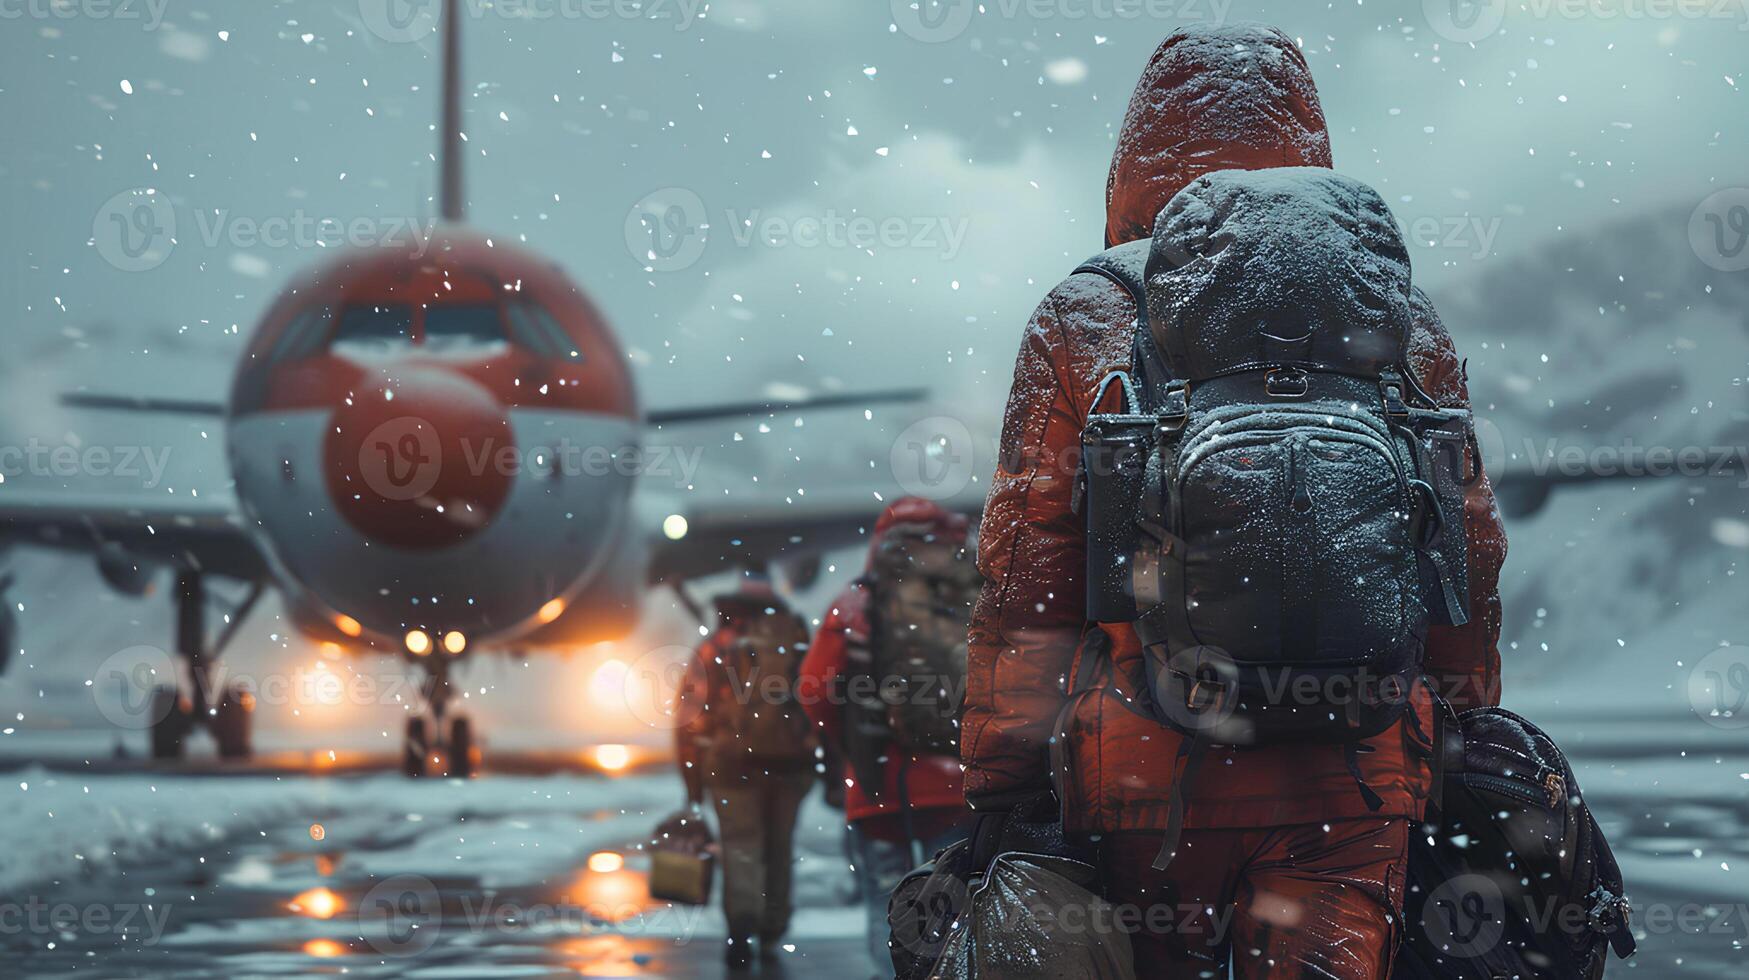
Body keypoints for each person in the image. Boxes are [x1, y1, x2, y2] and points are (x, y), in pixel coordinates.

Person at [962, 23, 1509, 980]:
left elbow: (1024, 576)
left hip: (1145, 765)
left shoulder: (1085, 312)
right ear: (1310, 144)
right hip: (1354, 766)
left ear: (1132, 161)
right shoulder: (1397, 311)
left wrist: (1004, 778)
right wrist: (1456, 722)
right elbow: (1462, 546)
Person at [798, 497, 977, 975]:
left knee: (890, 906)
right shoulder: (976, 597)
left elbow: (813, 691)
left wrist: (852, 745)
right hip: (960, 788)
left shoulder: (857, 604)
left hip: (880, 791)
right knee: (957, 909)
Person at [674, 573, 816, 970]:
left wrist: (692, 783)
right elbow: (821, 699)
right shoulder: (796, 643)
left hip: (731, 764)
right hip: (789, 767)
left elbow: (687, 718)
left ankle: (741, 927)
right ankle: (773, 929)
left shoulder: (715, 648)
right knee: (779, 848)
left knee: (740, 848)